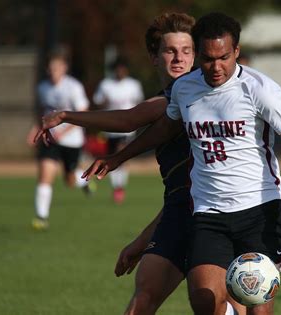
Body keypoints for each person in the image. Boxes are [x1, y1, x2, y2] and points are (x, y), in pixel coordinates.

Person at [82, 12, 281, 315]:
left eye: (224, 57)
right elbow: (164, 128)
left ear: (236, 51)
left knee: (257, 307)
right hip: (209, 213)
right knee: (204, 299)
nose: (216, 67)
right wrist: (117, 158)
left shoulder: (259, 89)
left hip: (259, 210)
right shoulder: (185, 89)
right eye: (207, 58)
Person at [34, 13, 243, 315]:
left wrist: (66, 116)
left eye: (187, 51)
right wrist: (143, 240)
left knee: (222, 305)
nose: (179, 58)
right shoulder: (171, 98)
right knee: (142, 299)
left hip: (220, 214)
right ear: (154, 56)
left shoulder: (201, 93)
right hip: (178, 215)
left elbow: (129, 118)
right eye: (170, 50)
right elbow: (179, 192)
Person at [26, 48, 92, 231]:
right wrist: (35, 129)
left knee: (69, 180)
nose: (52, 71)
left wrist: (65, 131)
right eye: (50, 68)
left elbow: (83, 112)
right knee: (45, 175)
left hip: (72, 141)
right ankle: (41, 217)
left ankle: (84, 181)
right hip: (51, 140)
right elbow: (41, 113)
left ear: (64, 68)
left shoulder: (73, 87)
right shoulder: (42, 88)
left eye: (56, 68)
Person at [93, 56, 144, 203]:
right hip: (110, 128)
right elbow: (98, 103)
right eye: (118, 69)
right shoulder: (106, 85)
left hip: (128, 128)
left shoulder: (133, 85)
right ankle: (116, 186)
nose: (120, 71)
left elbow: (140, 103)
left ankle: (120, 187)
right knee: (111, 157)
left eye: (123, 68)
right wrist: (105, 103)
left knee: (121, 154)